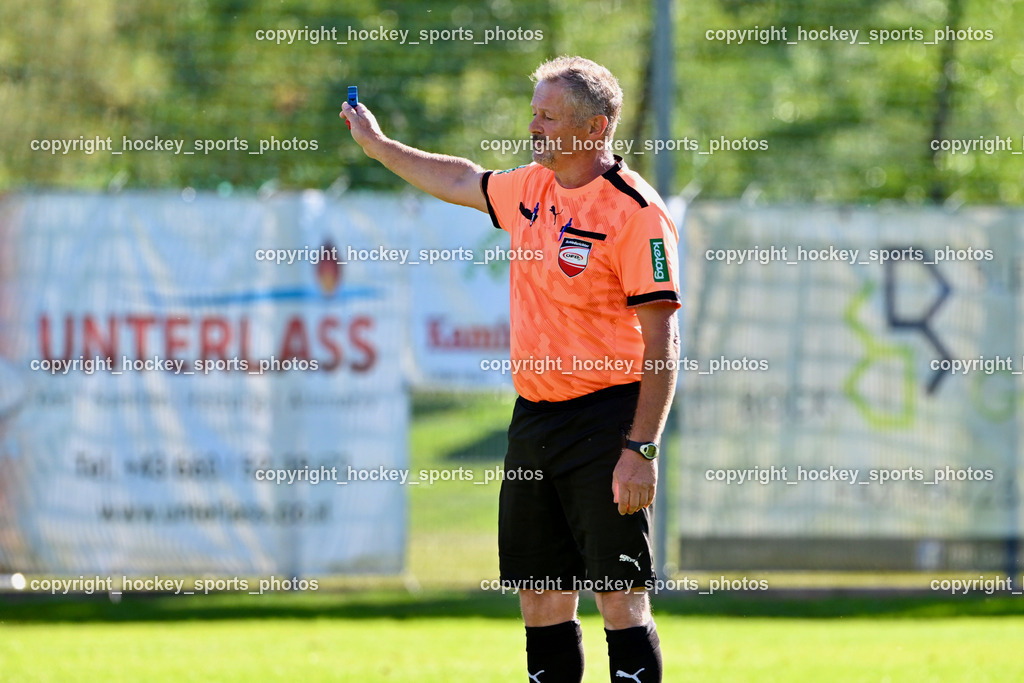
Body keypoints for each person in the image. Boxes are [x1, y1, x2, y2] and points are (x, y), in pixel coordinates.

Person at [341, 55, 680, 683]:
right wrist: (379, 147)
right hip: (535, 421)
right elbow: (462, 178)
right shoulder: (530, 188)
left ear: (595, 127)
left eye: (549, 117)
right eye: (534, 114)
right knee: (541, 596)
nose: (534, 127)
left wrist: (641, 450)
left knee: (619, 596)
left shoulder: (636, 212)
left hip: (609, 420)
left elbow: (664, 341)